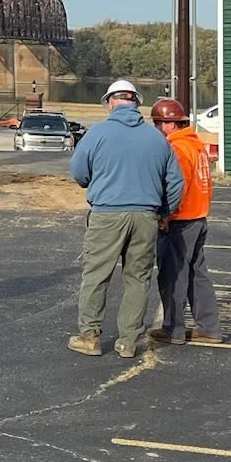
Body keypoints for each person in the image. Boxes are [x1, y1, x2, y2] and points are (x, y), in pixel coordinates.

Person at [67, 78, 183, 358]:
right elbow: (176, 182)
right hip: (146, 216)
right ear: (136, 103)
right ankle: (128, 341)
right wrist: (165, 212)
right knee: (137, 278)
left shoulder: (97, 133)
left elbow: (78, 173)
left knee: (96, 275)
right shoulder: (157, 138)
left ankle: (90, 336)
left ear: (110, 102)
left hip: (107, 214)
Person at [149, 98, 221, 344]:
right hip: (199, 216)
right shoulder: (196, 145)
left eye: (159, 123)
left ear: (169, 124)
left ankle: (173, 328)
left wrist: (166, 215)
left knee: (173, 275)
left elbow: (176, 185)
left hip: (180, 219)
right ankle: (209, 327)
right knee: (197, 273)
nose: (157, 128)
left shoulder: (176, 148)